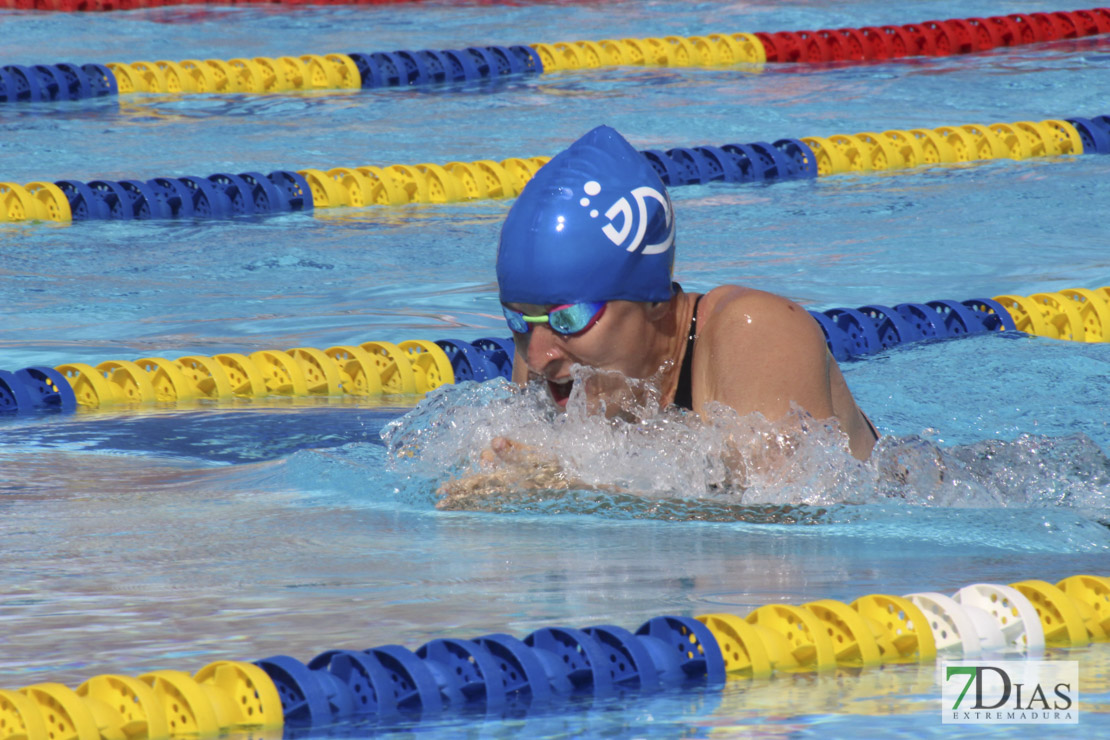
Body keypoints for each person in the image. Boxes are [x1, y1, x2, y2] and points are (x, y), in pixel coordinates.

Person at [439, 125, 878, 505]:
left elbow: (789, 521)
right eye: (518, 319)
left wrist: (574, 486)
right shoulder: (547, 357)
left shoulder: (757, 333)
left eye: (568, 319)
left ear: (650, 299)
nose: (536, 356)